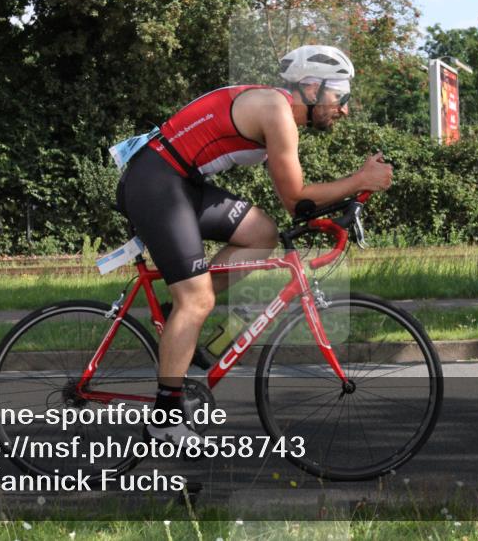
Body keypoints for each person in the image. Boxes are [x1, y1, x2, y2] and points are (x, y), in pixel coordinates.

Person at [115, 45, 393, 443]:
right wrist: (359, 181)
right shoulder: (277, 113)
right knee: (198, 301)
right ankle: (164, 416)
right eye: (340, 97)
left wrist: (344, 200)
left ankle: (178, 321)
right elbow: (296, 198)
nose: (344, 109)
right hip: (156, 184)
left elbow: (295, 205)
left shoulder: (277, 110)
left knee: (261, 233)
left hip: (179, 181)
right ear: (312, 88)